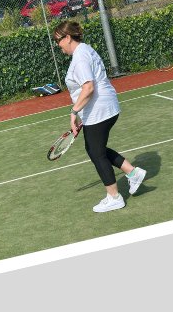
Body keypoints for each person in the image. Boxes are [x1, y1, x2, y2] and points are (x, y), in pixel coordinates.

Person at [52, 20, 147, 213]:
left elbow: (88, 88)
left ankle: (114, 197)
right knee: (96, 149)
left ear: (68, 37)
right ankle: (133, 172)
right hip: (101, 108)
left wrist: (74, 112)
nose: (58, 45)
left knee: (96, 152)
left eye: (59, 41)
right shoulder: (84, 50)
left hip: (99, 109)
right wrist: (81, 112)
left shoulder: (80, 57)